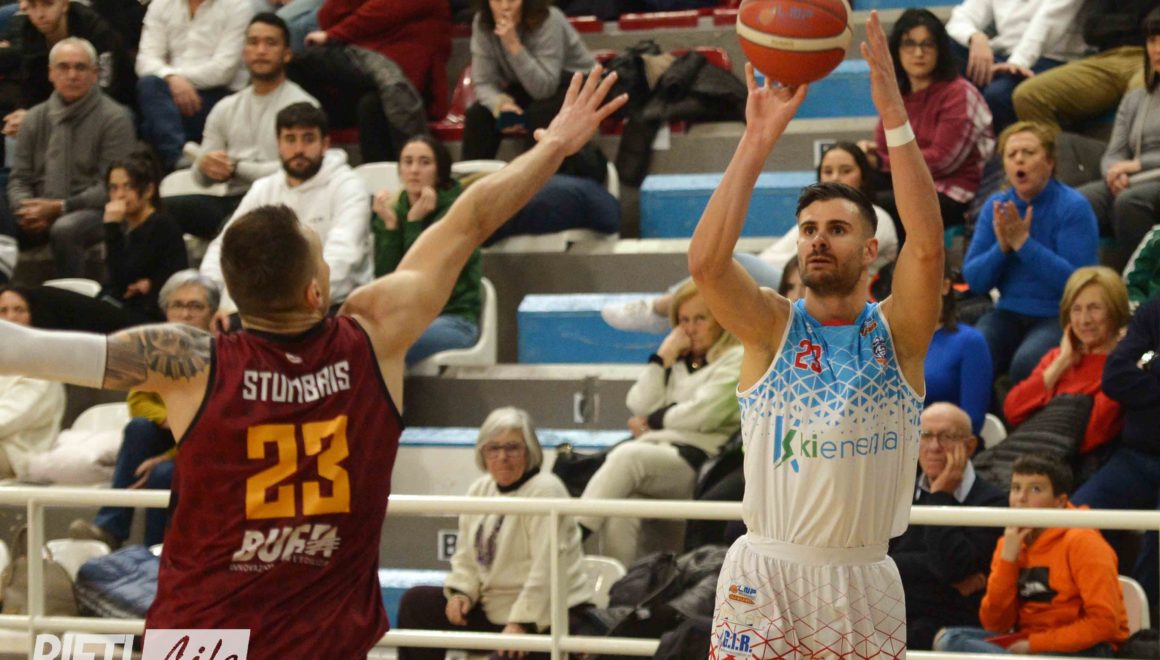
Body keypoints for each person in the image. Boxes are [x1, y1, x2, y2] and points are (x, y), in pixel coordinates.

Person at [0, 66, 626, 658]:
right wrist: (553, 147)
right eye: (323, 260)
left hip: (199, 640)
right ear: (314, 293)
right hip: (323, 639)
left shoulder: (189, 360)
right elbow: (471, 218)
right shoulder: (374, 334)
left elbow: (27, 349)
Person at [689, 10, 944, 655]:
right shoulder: (772, 328)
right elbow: (706, 266)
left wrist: (895, 116)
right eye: (808, 230)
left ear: (871, 251)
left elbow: (927, 249)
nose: (818, 240)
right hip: (766, 575)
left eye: (836, 229)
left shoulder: (898, 336)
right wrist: (755, 141)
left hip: (865, 577)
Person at [601, 141, 897, 334]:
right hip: (789, 287)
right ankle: (673, 311)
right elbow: (774, 258)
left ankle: (661, 308)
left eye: (845, 170)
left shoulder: (876, 217)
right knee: (728, 273)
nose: (835, 177)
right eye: (828, 171)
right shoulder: (811, 218)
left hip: (830, 297)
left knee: (733, 265)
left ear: (863, 175)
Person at [396, 407, 592, 659]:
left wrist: (522, 622)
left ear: (530, 450)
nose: (502, 457)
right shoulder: (481, 489)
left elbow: (546, 570)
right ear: (482, 453)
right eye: (493, 448)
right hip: (495, 610)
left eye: (512, 448)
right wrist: (461, 593)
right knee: (416, 603)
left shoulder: (546, 490)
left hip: (548, 616)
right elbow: (466, 557)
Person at [577, 281, 743, 565]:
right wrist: (662, 357)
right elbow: (638, 403)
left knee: (628, 456)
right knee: (623, 510)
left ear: (721, 320)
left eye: (700, 319)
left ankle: (570, 537)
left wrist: (655, 420)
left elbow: (703, 415)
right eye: (683, 320)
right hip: (659, 458)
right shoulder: (676, 362)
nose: (690, 329)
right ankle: (623, 585)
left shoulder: (736, 358)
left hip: (703, 464)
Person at [68, 271, 219, 549]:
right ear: (166, 311)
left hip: (209, 447)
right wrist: (167, 418)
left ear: (211, 314)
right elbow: (138, 402)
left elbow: (215, 425)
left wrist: (165, 457)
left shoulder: (224, 356)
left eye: (195, 307)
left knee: (163, 474)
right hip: (172, 434)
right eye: (177, 305)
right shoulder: (156, 352)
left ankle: (155, 552)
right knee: (138, 428)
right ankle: (110, 528)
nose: (185, 314)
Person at [933, 454, 1130, 656]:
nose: (1021, 498)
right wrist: (1007, 561)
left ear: (1060, 502)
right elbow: (996, 624)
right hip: (1030, 642)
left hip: (1087, 648)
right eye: (1016, 488)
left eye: (1035, 489)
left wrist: (1034, 645)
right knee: (949, 639)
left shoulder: (1083, 541)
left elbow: (1104, 623)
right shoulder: (1009, 543)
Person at [199, 102, 372, 329]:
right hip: (270, 304)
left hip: (335, 304)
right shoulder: (264, 188)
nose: (299, 149)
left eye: (308, 139)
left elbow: (343, 256)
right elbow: (226, 244)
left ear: (325, 144)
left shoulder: (348, 186)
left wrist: (289, 302)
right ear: (278, 145)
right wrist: (208, 294)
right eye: (290, 139)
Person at [962, 121, 1098, 384]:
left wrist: (1024, 244)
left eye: (1029, 152)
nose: (1019, 160)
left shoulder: (1073, 207)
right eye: (1011, 155)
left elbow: (1077, 284)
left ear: (1049, 162)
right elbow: (975, 280)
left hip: (1057, 314)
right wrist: (1002, 248)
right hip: (1008, 311)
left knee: (1027, 362)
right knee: (975, 351)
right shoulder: (996, 206)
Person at [165, 13, 319, 241]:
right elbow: (201, 179)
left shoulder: (303, 106)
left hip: (282, 204)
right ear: (244, 51)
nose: (261, 51)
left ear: (287, 54)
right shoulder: (225, 107)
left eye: (270, 43)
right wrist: (205, 166)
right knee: (158, 213)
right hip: (231, 200)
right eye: (253, 42)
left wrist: (235, 168)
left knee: (237, 226)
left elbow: (296, 171)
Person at [6, 37, 136, 278]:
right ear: (50, 73)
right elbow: (19, 178)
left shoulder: (115, 119)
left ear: (95, 74)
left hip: (94, 210)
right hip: (39, 208)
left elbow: (113, 188)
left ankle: (72, 293)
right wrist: (27, 210)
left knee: (65, 228)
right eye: (63, 67)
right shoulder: (34, 118)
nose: (72, 75)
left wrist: (59, 208)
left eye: (80, 67)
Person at [860, 8, 994, 231]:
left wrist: (881, 162)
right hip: (910, 181)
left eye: (928, 44)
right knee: (850, 182)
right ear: (897, 50)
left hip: (954, 190)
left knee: (871, 207)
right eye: (909, 44)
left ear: (941, 49)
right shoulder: (898, 95)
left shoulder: (959, 93)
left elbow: (942, 161)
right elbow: (885, 147)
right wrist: (865, 156)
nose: (919, 53)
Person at [889, 402, 1006, 650]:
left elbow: (952, 568)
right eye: (925, 435)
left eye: (947, 437)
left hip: (950, 625)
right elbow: (881, 563)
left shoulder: (993, 502)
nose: (934, 446)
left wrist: (940, 496)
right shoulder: (898, 494)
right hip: (896, 615)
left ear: (970, 446)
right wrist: (934, 568)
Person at [292, 0, 448, 162]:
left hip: (408, 85)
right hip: (364, 74)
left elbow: (383, 11)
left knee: (371, 106)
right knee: (295, 65)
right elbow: (327, 16)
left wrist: (333, 35)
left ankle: (384, 174)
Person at [371, 135, 480, 366]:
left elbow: (422, 283)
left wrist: (414, 224)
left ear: (439, 172)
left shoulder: (457, 214)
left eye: (424, 162)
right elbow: (386, 283)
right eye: (407, 162)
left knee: (383, 346)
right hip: (404, 320)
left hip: (453, 320)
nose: (414, 170)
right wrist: (390, 227)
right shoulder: (392, 211)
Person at [1083, 294, 1160, 606]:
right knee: (1076, 520)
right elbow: (1115, 377)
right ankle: (1091, 611)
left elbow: (1129, 374)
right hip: (1135, 457)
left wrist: (1150, 366)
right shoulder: (1154, 310)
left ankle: (1145, 626)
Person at [1003, 266, 1128, 456]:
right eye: (1076, 309)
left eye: (1094, 308)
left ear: (1115, 312)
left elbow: (1093, 436)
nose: (1084, 320)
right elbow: (1012, 410)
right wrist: (1061, 363)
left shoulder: (1121, 367)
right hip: (1029, 456)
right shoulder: (1057, 358)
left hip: (1071, 462)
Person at [462, 0, 595, 163]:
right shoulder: (482, 21)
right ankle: (472, 177)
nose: (505, 7)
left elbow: (544, 88)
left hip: (575, 83)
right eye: (497, 0)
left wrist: (512, 43)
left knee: (540, 113)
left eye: (512, 0)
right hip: (527, 85)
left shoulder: (549, 18)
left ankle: (532, 176)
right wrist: (501, 105)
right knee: (478, 115)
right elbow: (483, 82)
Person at [1077, 12, 1160, 267]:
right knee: (1079, 201)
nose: (1157, 49)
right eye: (1152, 41)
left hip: (1149, 180)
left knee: (1129, 202)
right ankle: (1081, 284)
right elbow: (1114, 152)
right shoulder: (1136, 98)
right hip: (1132, 180)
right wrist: (1114, 174)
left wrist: (1138, 165)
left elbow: (1133, 163)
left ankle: (1142, 282)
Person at [135, 0, 254, 171]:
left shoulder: (238, 6)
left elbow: (223, 70)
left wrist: (176, 78)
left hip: (218, 95)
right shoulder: (161, 4)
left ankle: (176, 163)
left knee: (151, 125)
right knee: (148, 86)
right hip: (168, 93)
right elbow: (144, 60)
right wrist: (171, 77)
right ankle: (178, 159)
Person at [1013, 0, 1153, 135]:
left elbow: (1153, 26)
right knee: (1028, 95)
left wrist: (1121, 24)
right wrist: (1137, 22)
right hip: (1107, 57)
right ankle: (1057, 151)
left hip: (1150, 57)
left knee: (1141, 93)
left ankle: (1139, 152)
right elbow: (1091, 31)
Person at [0, 0, 134, 140]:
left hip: (111, 106)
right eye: (33, 6)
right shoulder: (30, 30)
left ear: (64, 4)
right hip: (58, 108)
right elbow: (31, 83)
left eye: (48, 4)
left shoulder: (97, 30)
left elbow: (106, 90)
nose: (40, 14)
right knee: (16, 132)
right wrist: (24, 114)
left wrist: (42, 118)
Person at [945, 0, 1085, 133]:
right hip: (1004, 53)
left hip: (1051, 58)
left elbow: (1047, 23)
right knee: (945, 51)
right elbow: (961, 17)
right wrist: (975, 37)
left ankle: (990, 145)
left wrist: (1017, 63)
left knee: (997, 94)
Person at [101, 152, 189, 323]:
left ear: (148, 190)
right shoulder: (125, 225)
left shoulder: (161, 225)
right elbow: (119, 283)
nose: (119, 195)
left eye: (128, 187)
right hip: (127, 307)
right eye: (113, 188)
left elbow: (121, 278)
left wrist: (111, 227)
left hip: (151, 315)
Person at [0, 286, 64, 479]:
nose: (11, 318)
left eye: (19, 310)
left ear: (33, 316)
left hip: (18, 453)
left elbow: (10, 416)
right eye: (3, 311)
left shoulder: (42, 365)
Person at [925, 267, 992, 434]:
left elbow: (972, 421)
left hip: (944, 443)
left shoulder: (969, 342)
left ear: (945, 286)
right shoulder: (886, 341)